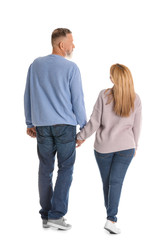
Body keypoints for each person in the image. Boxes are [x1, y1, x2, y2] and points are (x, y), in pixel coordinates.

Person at [24, 28, 87, 230]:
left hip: (42, 125)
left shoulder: (35, 65)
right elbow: (78, 100)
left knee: (45, 169)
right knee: (66, 168)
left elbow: (28, 95)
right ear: (62, 45)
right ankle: (57, 215)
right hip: (65, 127)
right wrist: (84, 127)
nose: (73, 46)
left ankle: (46, 215)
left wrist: (29, 122)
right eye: (72, 41)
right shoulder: (71, 68)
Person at [76, 64, 142, 234]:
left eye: (111, 75)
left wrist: (80, 137)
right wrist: (135, 145)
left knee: (109, 183)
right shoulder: (135, 98)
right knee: (115, 182)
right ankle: (110, 219)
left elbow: (94, 122)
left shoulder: (104, 95)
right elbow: (137, 127)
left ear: (116, 78)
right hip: (126, 147)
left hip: (103, 148)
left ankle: (110, 218)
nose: (109, 78)